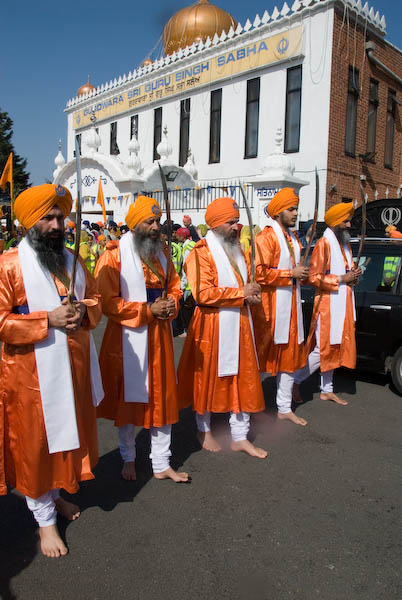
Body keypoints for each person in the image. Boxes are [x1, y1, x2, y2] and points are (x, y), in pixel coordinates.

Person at [0, 184, 103, 558]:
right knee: (37, 447)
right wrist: (47, 319)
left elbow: (95, 301)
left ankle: (55, 497)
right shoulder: (8, 264)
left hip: (72, 370)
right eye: (48, 216)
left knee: (67, 439)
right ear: (30, 222)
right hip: (30, 378)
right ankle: (44, 523)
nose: (57, 223)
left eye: (60, 216)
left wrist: (83, 312)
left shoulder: (73, 260)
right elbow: (2, 322)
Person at [95, 196, 189, 483]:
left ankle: (161, 463)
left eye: (158, 222)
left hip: (159, 336)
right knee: (128, 400)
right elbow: (107, 303)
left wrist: (172, 303)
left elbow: (174, 285)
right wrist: (148, 310)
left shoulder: (162, 253)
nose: (155, 227)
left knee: (162, 399)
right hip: (126, 338)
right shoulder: (113, 256)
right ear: (134, 225)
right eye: (149, 222)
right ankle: (128, 457)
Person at [178, 197, 267, 458]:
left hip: (240, 323)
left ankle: (240, 436)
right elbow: (203, 293)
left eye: (237, 222)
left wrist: (252, 292)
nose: (236, 227)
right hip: (211, 326)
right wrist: (242, 293)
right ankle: (203, 430)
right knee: (205, 380)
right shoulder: (200, 252)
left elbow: (247, 282)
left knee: (244, 378)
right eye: (231, 222)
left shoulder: (239, 249)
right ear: (216, 225)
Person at [293, 202, 362, 404]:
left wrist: (354, 276)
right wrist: (342, 279)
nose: (349, 225)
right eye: (346, 221)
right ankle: (295, 381)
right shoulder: (324, 244)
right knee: (322, 348)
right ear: (336, 223)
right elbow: (314, 278)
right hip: (328, 305)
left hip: (343, 302)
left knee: (335, 346)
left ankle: (326, 389)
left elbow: (347, 274)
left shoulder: (345, 244)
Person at [254, 188, 309, 426]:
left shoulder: (294, 238)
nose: (296, 213)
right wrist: (290, 273)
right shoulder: (265, 238)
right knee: (260, 359)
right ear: (278, 213)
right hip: (270, 309)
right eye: (291, 209)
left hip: (292, 306)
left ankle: (284, 407)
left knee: (289, 358)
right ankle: (252, 405)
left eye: (296, 208)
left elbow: (298, 272)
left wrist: (303, 274)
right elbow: (258, 273)